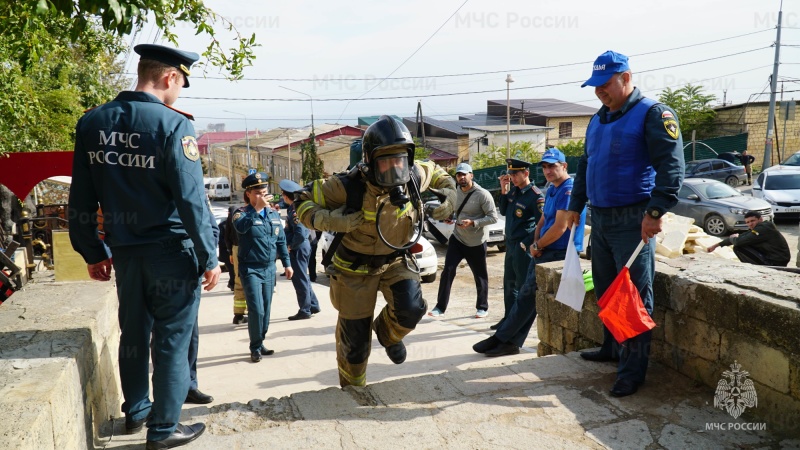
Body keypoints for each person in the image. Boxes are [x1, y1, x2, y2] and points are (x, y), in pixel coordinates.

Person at [68, 43, 218, 448]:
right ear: (169, 77)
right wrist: (209, 256)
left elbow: (80, 199)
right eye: (181, 84)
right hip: (170, 252)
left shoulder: (92, 123)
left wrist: (93, 252)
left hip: (126, 254)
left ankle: (136, 411)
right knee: (171, 338)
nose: (180, 92)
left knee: (133, 333)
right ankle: (164, 429)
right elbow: (191, 202)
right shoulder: (173, 125)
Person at [295, 115, 457, 387]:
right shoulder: (346, 185)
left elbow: (442, 176)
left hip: (395, 260)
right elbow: (303, 201)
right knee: (355, 344)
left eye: (400, 161)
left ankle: (386, 334)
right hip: (354, 270)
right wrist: (335, 221)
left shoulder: (414, 174)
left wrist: (449, 199)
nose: (395, 169)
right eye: (385, 162)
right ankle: (353, 392)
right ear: (369, 161)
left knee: (411, 309)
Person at [566, 50, 685, 398]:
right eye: (595, 86)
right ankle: (611, 347)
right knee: (605, 290)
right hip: (600, 219)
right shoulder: (596, 120)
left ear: (627, 78)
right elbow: (585, 166)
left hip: (633, 219)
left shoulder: (653, 114)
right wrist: (576, 205)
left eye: (605, 84)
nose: (600, 92)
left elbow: (672, 168)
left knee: (633, 298)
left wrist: (655, 213)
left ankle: (632, 372)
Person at [474, 148, 586, 356]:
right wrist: (536, 242)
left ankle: (502, 338)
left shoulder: (569, 189)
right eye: (544, 167)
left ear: (564, 166)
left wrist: (537, 245)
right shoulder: (553, 188)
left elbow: (560, 227)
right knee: (526, 298)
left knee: (526, 297)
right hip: (544, 250)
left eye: (552, 166)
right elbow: (543, 221)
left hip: (560, 253)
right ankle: (508, 341)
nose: (548, 171)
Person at [233, 172, 293, 363]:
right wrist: (256, 211)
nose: (262, 196)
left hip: (269, 268)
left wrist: (287, 264)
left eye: (264, 192)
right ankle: (255, 347)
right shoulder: (241, 213)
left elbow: (281, 241)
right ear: (248, 194)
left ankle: (260, 342)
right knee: (256, 309)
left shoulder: (274, 214)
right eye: (258, 193)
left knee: (266, 310)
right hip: (250, 269)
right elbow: (240, 228)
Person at [429, 162, 498, 318]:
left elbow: (493, 217)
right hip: (458, 238)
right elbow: (453, 210)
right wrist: (449, 217)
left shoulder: (483, 194)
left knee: (480, 276)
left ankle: (482, 307)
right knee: (448, 271)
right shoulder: (454, 192)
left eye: (464, 174)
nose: (461, 177)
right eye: (458, 175)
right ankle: (440, 308)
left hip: (476, 242)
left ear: (471, 175)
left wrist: (473, 223)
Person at [491, 158, 544, 331]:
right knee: (509, 284)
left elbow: (540, 224)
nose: (512, 177)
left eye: (516, 174)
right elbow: (504, 211)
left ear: (526, 173)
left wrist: (526, 243)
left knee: (522, 286)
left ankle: (519, 324)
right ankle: (508, 319)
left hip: (523, 247)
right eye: (511, 174)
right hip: (511, 245)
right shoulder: (514, 192)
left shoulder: (536, 196)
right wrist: (504, 191)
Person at [280, 179, 321, 320]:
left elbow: (300, 231)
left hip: (299, 247)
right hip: (302, 246)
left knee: (299, 279)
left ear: (286, 196)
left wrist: (291, 245)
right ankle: (313, 304)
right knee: (303, 277)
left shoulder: (295, 210)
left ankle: (305, 309)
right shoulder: (293, 208)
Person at [707, 211, 790, 266]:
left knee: (738, 247)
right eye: (748, 222)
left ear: (760, 219)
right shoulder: (760, 227)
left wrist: (735, 238)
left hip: (776, 262)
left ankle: (756, 268)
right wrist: (716, 245)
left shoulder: (763, 228)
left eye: (752, 221)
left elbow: (739, 241)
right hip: (775, 258)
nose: (750, 224)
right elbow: (743, 236)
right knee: (742, 242)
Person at [225, 200, 249, 324]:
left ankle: (238, 314)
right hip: (249, 249)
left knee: (239, 281)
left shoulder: (235, 213)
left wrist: (230, 252)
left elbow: (227, 234)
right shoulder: (255, 213)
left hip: (235, 248)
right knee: (252, 283)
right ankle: (253, 313)